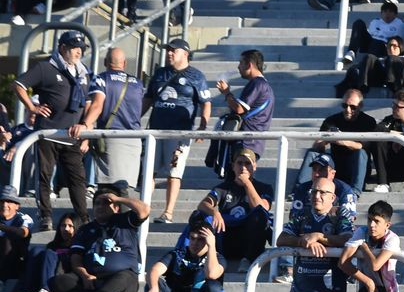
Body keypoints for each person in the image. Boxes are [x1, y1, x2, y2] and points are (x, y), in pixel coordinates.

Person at [14, 30, 92, 231]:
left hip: (72, 134)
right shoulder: (45, 67)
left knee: (77, 178)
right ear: (62, 48)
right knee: (44, 176)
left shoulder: (84, 72)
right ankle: (45, 216)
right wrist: (32, 107)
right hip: (48, 132)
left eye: (81, 49)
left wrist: (87, 131)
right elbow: (19, 84)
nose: (78, 52)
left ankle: (83, 218)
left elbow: (89, 104)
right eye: (75, 48)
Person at [49, 183, 148, 292]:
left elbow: (144, 210)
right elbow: (76, 258)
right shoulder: (85, 229)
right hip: (93, 279)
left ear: (116, 207)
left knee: (123, 277)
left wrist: (118, 198)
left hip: (124, 278)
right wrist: (84, 275)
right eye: (97, 203)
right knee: (58, 282)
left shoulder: (125, 221)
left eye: (106, 203)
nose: (100, 207)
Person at [142, 38, 212, 225]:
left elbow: (206, 102)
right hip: (156, 130)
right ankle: (144, 209)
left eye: (174, 50)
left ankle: (168, 212)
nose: (169, 53)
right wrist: (134, 119)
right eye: (168, 50)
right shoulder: (159, 74)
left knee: (174, 172)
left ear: (185, 53)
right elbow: (148, 98)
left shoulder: (196, 76)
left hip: (180, 132)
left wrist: (203, 126)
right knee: (150, 171)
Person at [72, 47, 143, 189]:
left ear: (105, 62)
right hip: (134, 138)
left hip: (111, 138)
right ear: (124, 63)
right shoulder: (138, 83)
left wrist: (85, 125)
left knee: (108, 189)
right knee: (124, 187)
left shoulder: (101, 79)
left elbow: (97, 105)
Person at [197, 148, 273, 269]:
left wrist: (247, 184)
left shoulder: (265, 188)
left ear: (254, 166)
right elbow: (203, 204)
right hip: (228, 239)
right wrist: (215, 212)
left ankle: (248, 260)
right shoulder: (223, 188)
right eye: (239, 163)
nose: (243, 167)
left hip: (250, 240)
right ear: (233, 166)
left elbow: (263, 208)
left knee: (259, 215)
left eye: (247, 163)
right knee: (199, 215)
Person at [300, 89, 376, 194]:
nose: (348, 110)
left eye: (353, 107)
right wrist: (324, 139)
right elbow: (318, 146)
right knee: (312, 153)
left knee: (361, 153)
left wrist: (341, 140)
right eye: (345, 106)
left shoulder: (368, 121)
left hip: (355, 165)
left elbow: (363, 146)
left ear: (361, 106)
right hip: (334, 164)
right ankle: (300, 190)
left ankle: (355, 193)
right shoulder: (332, 120)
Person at [213, 48, 274, 159]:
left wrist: (226, 93)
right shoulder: (263, 84)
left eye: (241, 63)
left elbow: (239, 109)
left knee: (240, 175)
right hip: (252, 142)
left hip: (246, 142)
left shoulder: (257, 83)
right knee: (239, 176)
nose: (238, 67)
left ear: (249, 65)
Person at [7, 212, 76, 292]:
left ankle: (46, 290)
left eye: (70, 226)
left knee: (49, 254)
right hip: (43, 275)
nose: (66, 229)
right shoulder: (52, 245)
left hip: (61, 277)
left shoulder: (78, 247)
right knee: (36, 250)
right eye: (63, 225)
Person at [0, 184, 32, 284]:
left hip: (16, 261)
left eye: (9, 201)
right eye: (2, 201)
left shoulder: (24, 218)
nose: (5, 205)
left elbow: (23, 233)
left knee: (7, 239)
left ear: (17, 206)